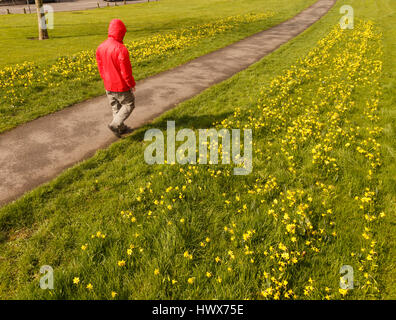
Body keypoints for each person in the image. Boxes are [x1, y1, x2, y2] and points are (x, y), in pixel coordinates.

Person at [96, 19, 136, 138]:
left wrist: (105, 79)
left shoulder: (100, 47)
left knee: (116, 107)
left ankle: (120, 129)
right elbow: (126, 71)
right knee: (129, 104)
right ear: (121, 32)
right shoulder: (121, 49)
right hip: (120, 85)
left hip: (108, 84)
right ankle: (116, 124)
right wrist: (130, 84)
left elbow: (101, 67)